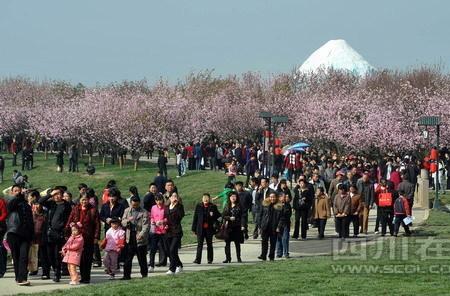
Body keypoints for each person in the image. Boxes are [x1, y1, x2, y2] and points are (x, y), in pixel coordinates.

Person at [39, 187, 72, 282]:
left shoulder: (66, 205)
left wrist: (66, 231)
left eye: (58, 194)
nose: (56, 196)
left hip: (60, 233)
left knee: (57, 255)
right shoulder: (51, 204)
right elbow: (40, 201)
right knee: (50, 255)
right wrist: (50, 194)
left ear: (62, 195)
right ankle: (55, 269)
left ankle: (57, 273)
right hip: (49, 233)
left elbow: (69, 219)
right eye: (55, 194)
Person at [65, 195, 100, 284]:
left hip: (88, 237)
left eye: (86, 200)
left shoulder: (93, 210)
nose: (84, 202)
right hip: (77, 238)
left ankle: (86, 277)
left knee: (87, 258)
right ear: (80, 200)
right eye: (82, 200)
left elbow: (97, 225)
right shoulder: (75, 209)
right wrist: (67, 232)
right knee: (80, 258)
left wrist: (96, 237)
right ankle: (80, 276)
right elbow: (70, 220)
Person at [6, 185, 34, 286]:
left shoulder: (26, 205)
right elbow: (10, 207)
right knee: (16, 256)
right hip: (13, 233)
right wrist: (19, 195)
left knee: (24, 257)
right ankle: (18, 277)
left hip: (25, 235)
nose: (18, 192)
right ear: (12, 192)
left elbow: (31, 221)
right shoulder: (10, 201)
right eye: (15, 190)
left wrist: (32, 236)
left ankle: (22, 278)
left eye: (19, 190)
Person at [121, 196, 149, 280]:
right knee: (128, 259)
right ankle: (126, 276)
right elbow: (122, 222)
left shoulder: (144, 212)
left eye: (136, 205)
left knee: (142, 258)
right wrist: (127, 221)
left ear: (139, 203)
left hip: (140, 238)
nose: (135, 207)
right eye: (133, 205)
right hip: (130, 237)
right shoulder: (127, 211)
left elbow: (146, 226)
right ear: (130, 203)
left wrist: (141, 234)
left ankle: (144, 275)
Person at [192, 193, 221, 264]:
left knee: (209, 244)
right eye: (204, 198)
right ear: (202, 199)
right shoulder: (198, 206)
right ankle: (198, 259)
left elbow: (218, 216)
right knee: (199, 244)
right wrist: (193, 228)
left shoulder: (213, 206)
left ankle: (210, 259)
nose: (205, 199)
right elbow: (195, 217)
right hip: (200, 228)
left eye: (207, 198)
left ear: (209, 199)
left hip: (209, 228)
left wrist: (217, 221)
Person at [258, 192, 284, 261]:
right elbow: (260, 215)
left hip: (274, 228)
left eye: (274, 197)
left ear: (276, 197)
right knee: (264, 242)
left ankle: (271, 256)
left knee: (273, 243)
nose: (272, 198)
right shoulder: (264, 204)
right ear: (269, 197)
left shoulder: (279, 206)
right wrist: (260, 226)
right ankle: (263, 255)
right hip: (265, 226)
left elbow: (281, 218)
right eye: (271, 197)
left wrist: (279, 227)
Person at [165, 192, 185, 274]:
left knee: (172, 249)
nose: (174, 197)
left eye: (176, 196)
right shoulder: (166, 207)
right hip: (168, 231)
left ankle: (172, 269)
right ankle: (179, 265)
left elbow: (180, 216)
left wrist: (177, 204)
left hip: (177, 231)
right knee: (171, 251)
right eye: (172, 196)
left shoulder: (179, 207)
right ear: (169, 198)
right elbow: (166, 218)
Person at [222, 192, 244, 263]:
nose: (233, 198)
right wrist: (229, 218)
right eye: (231, 196)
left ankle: (238, 257)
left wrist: (243, 225)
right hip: (228, 227)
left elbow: (243, 216)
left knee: (237, 243)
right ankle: (228, 258)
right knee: (227, 243)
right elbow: (223, 215)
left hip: (237, 227)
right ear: (229, 198)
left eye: (234, 196)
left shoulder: (239, 206)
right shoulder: (227, 205)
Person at [148, 194, 168, 271]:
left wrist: (162, 221)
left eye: (160, 200)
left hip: (163, 231)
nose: (158, 202)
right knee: (152, 249)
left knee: (166, 248)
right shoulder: (153, 207)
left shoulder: (165, 208)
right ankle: (151, 265)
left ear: (162, 200)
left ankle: (174, 264)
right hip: (155, 231)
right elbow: (152, 217)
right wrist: (153, 221)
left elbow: (167, 218)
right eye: (157, 200)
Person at [276, 192, 292, 258]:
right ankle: (279, 253)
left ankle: (286, 253)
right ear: (280, 197)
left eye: (285, 197)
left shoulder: (287, 205)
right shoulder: (277, 205)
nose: (285, 198)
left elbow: (289, 214)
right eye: (284, 197)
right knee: (278, 239)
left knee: (285, 239)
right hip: (278, 224)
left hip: (285, 224)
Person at [0, 194, 7, 278]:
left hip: (0, 227)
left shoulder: (1, 201)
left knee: (1, 249)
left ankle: (1, 270)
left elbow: (4, 214)